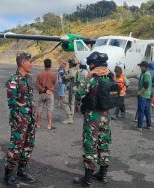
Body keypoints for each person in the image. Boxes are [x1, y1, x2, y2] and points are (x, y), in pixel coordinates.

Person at [74, 52, 113, 187]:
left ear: (93, 64)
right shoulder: (110, 76)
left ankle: (88, 179)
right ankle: (102, 174)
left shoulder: (91, 78)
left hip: (93, 116)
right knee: (104, 143)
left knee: (90, 145)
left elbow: (79, 94)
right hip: (105, 116)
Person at [4, 51, 36, 187]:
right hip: (19, 119)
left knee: (28, 145)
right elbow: (11, 102)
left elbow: (29, 99)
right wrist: (18, 118)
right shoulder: (13, 80)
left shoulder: (28, 78)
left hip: (30, 119)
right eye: (30, 61)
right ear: (23, 63)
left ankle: (21, 171)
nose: (32, 64)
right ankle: (8, 176)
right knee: (16, 146)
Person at [36, 59, 57, 130]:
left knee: (39, 109)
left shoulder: (40, 74)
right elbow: (55, 83)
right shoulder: (53, 74)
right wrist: (50, 89)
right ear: (50, 64)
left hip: (42, 93)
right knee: (49, 110)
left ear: (44, 64)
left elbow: (37, 85)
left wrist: (43, 90)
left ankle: (38, 124)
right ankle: (49, 125)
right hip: (50, 93)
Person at [136, 61, 152, 131]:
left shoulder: (146, 74)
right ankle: (149, 125)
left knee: (141, 111)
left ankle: (139, 126)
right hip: (146, 95)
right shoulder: (144, 73)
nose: (140, 67)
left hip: (144, 95)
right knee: (146, 111)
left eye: (141, 66)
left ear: (144, 67)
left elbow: (146, 86)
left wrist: (139, 93)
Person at [62, 59, 79, 124]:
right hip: (75, 88)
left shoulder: (71, 70)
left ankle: (69, 118)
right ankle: (71, 117)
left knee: (65, 103)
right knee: (72, 103)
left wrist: (65, 75)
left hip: (70, 88)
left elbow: (68, 77)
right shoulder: (78, 70)